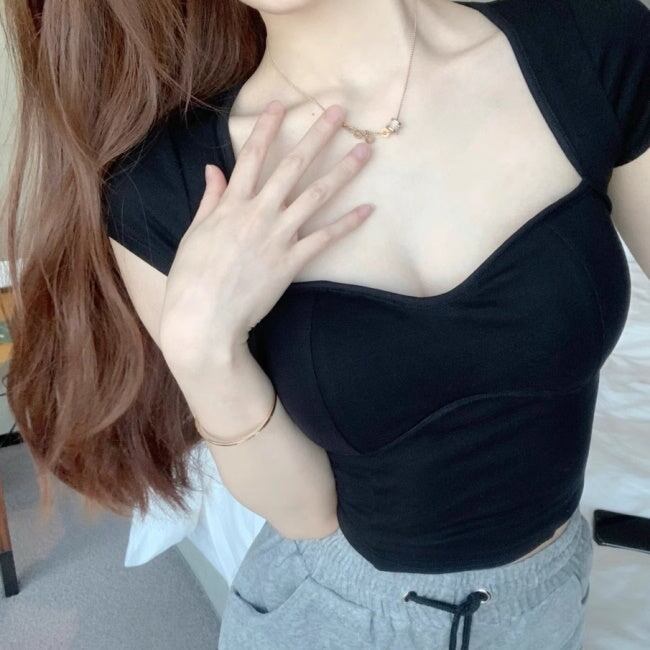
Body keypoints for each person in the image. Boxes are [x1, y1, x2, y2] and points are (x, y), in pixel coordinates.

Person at [3, 0, 648, 648]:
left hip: (548, 599)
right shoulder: (165, 189)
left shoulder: (590, 43)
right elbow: (305, 515)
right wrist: (204, 352)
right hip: (334, 617)